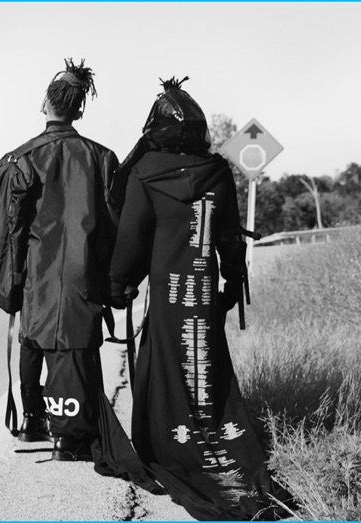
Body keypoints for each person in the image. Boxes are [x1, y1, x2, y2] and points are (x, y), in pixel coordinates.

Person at [109, 77, 293, 519]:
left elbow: (132, 240)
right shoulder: (216, 171)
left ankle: (172, 443)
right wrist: (232, 281)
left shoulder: (144, 171)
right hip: (204, 294)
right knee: (206, 369)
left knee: (167, 371)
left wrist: (118, 285)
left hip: (169, 296)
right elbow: (230, 237)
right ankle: (217, 441)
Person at [0, 58, 121, 461]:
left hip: (38, 271)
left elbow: (8, 226)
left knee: (32, 337)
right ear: (80, 108)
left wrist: (9, 282)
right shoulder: (102, 158)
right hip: (84, 271)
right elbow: (115, 224)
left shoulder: (21, 158)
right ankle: (73, 432)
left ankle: (32, 420)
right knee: (80, 346)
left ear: (45, 104)